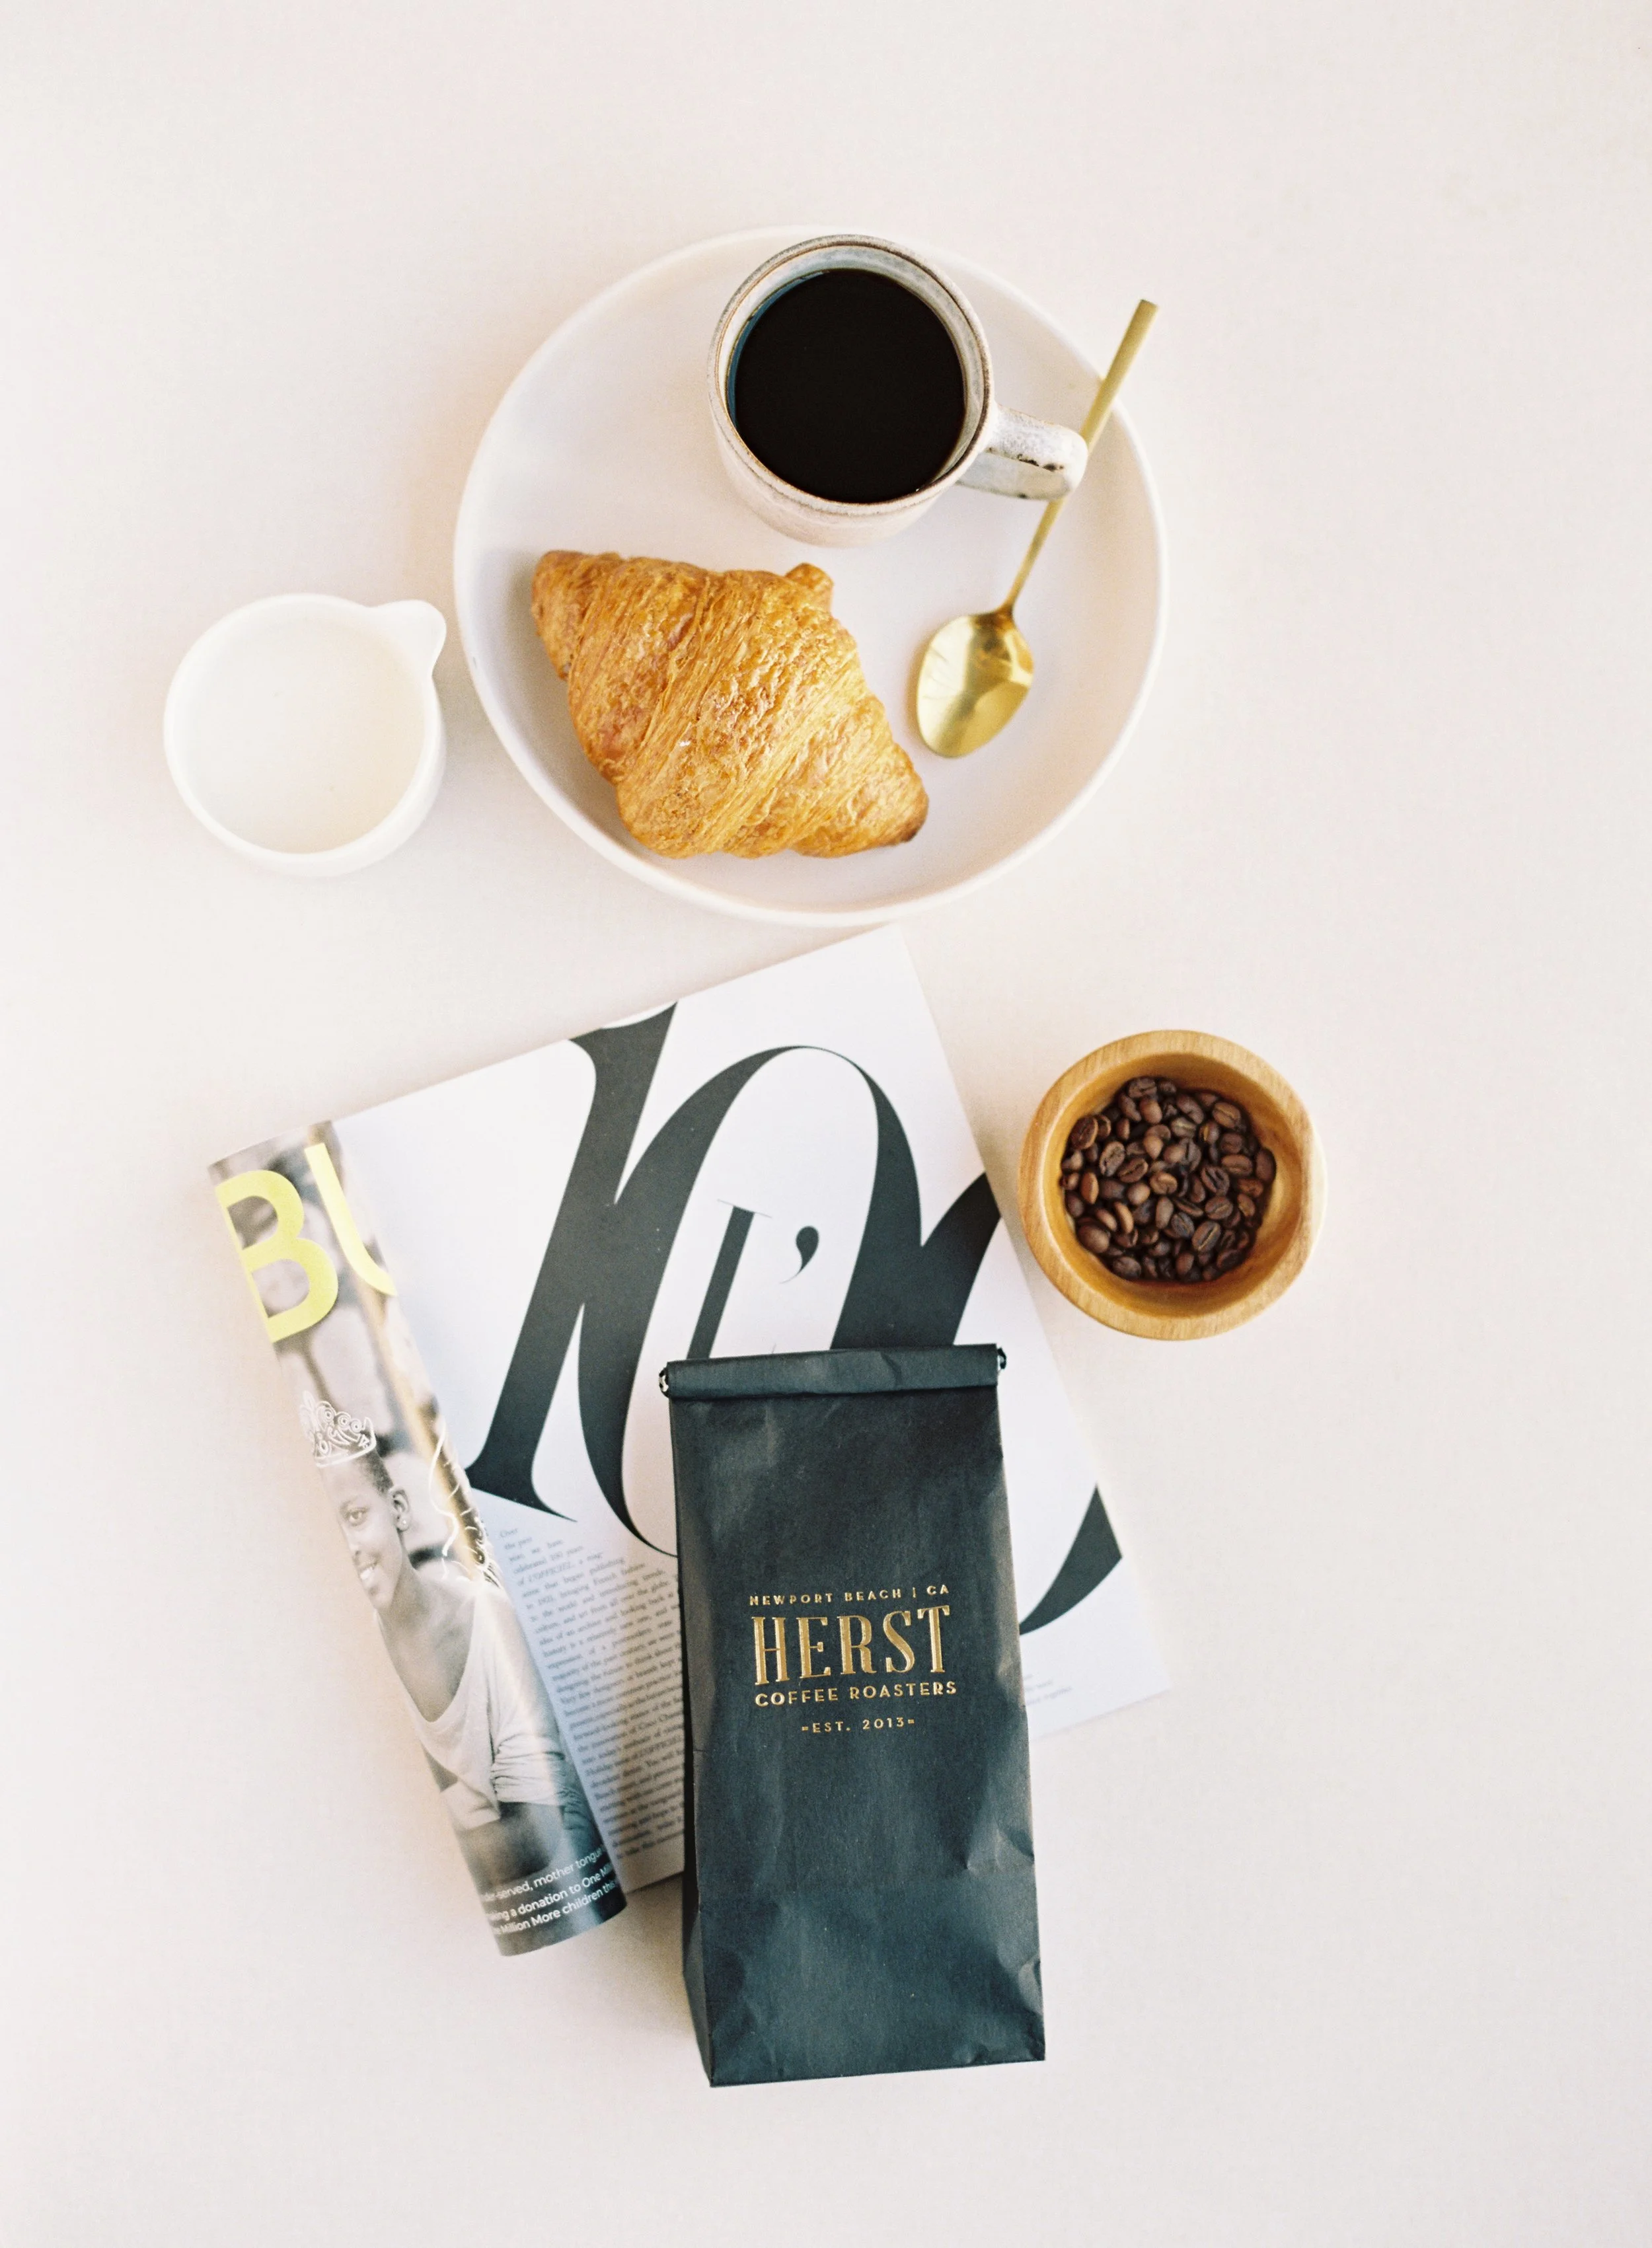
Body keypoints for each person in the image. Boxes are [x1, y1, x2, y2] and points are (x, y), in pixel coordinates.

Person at [327, 1449, 601, 1881]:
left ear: (398, 1509)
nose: (350, 1548)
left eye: (357, 1515)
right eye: (332, 1529)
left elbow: (538, 1835)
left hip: (563, 1873)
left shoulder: (485, 1618)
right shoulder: (351, 1648)